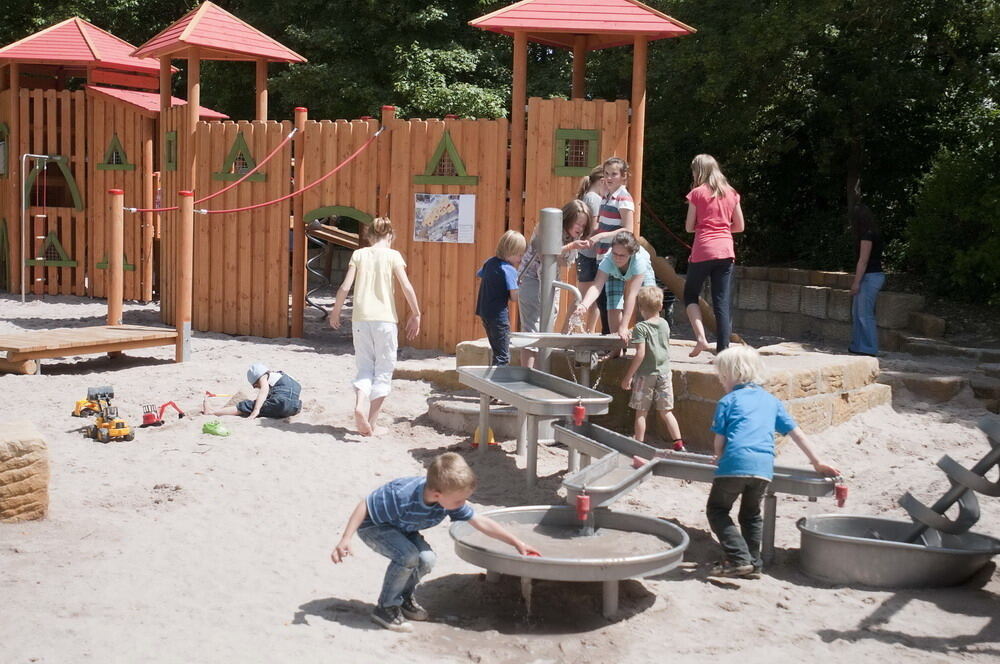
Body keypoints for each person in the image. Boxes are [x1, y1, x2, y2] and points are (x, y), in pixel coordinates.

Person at [330, 452, 540, 632]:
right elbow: (365, 504)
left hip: (404, 528)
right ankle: (385, 608)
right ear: (437, 494)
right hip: (375, 527)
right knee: (408, 556)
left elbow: (480, 522)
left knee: (427, 559)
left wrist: (516, 542)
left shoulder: (449, 499)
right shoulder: (401, 494)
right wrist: (345, 539)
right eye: (459, 500)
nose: (462, 504)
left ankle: (403, 599)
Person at [707, 345, 840, 578]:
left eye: (722, 377)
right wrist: (817, 462)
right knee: (750, 515)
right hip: (763, 468)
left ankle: (738, 559)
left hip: (734, 465)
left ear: (730, 376)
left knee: (717, 510)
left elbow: (720, 440)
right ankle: (754, 563)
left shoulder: (728, 401)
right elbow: (796, 433)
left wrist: (718, 456)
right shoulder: (771, 401)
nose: (721, 382)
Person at [330, 217, 421, 437]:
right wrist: (416, 312)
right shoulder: (393, 256)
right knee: (383, 370)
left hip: (360, 319)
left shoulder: (359, 254)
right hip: (385, 320)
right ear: (390, 236)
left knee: (364, 367)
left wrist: (336, 310)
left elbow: (345, 287)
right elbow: (406, 286)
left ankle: (360, 404)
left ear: (370, 236)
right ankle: (371, 422)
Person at [683, 154, 745, 358]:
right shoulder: (731, 193)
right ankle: (723, 353)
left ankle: (701, 337)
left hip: (703, 250)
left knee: (690, 294)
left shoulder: (697, 193)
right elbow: (740, 226)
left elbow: (689, 227)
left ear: (698, 171)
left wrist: (705, 226)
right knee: (722, 302)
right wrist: (722, 226)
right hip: (726, 250)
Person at [519, 200, 591, 368]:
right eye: (577, 222)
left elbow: (566, 262)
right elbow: (545, 254)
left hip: (551, 281)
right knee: (532, 330)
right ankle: (528, 375)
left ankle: (540, 373)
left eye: (583, 224)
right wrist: (570, 246)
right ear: (567, 219)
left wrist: (573, 247)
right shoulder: (547, 227)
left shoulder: (573, 237)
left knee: (547, 326)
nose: (580, 227)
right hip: (531, 278)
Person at [620, 286, 685, 450]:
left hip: (644, 375)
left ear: (640, 308)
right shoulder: (664, 324)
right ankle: (678, 443)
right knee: (666, 411)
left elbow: (640, 354)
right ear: (661, 307)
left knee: (641, 412)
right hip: (664, 373)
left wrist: (628, 377)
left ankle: (639, 445)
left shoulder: (641, 328)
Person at [573, 231, 656, 345]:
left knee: (650, 301)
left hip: (641, 272)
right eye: (615, 253)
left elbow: (632, 295)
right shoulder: (608, 260)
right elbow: (597, 286)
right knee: (612, 304)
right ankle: (616, 348)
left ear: (631, 254)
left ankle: (655, 339)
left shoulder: (639, 261)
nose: (617, 258)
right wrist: (584, 305)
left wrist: (624, 326)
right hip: (615, 273)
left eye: (622, 255)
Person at [476, 230, 526, 366]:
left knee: (497, 351)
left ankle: (492, 382)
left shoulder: (489, 262)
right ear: (510, 252)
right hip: (499, 316)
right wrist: (519, 285)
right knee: (503, 357)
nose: (521, 259)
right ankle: (499, 384)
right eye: (519, 255)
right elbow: (514, 297)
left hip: (485, 313)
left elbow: (480, 274)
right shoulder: (509, 270)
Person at [848, 202, 885, 356]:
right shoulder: (872, 232)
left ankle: (869, 348)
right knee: (857, 313)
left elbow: (863, 261)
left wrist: (856, 282)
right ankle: (858, 345)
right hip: (869, 276)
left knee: (865, 314)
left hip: (870, 277)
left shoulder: (867, 235)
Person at [202, 363, 302, 419]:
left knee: (247, 405)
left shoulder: (263, 377)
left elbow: (264, 390)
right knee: (268, 403)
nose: (256, 388)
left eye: (255, 385)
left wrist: (256, 410)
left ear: (257, 379)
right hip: (295, 407)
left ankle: (212, 412)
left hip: (281, 404)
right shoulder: (282, 376)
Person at [576, 166, 606, 333]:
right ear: (602, 181)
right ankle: (585, 330)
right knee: (587, 296)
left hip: (588, 254)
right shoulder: (594, 198)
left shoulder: (589, 196)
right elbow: (594, 226)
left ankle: (588, 330)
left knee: (591, 296)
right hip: (589, 254)